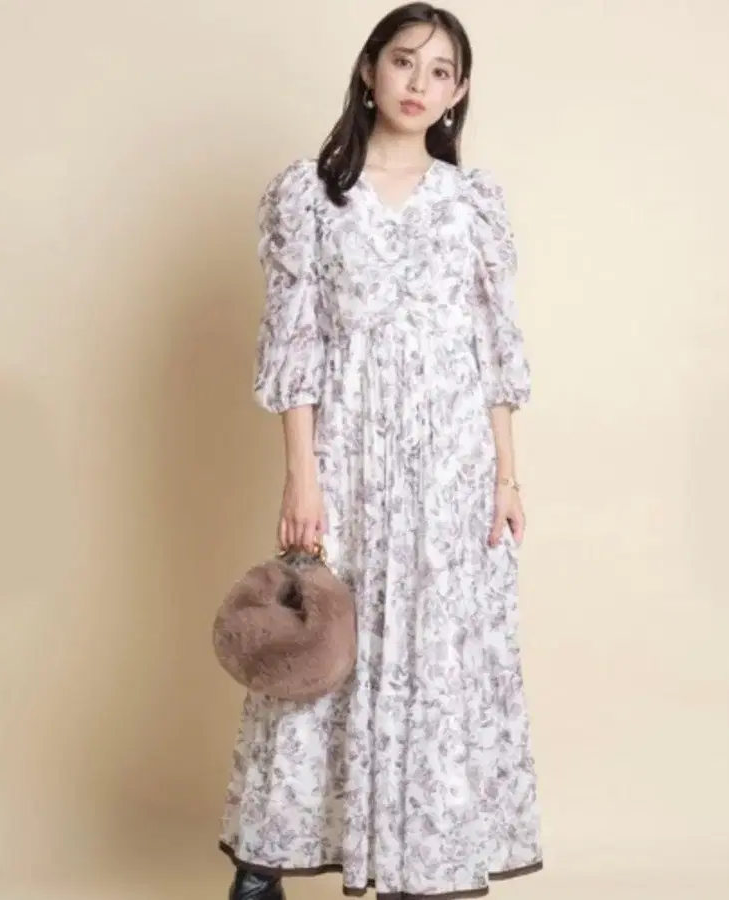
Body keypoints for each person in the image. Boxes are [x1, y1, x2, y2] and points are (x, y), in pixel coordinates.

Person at [220, 4, 542, 898]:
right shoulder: (310, 196)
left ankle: (418, 864)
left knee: (437, 658)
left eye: (440, 72)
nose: (418, 83)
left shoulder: (472, 203)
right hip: (349, 458)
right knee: (322, 647)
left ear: (458, 92)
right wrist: (302, 476)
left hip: (451, 470)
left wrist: (507, 477)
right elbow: (294, 346)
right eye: (405, 61)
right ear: (370, 69)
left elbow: (494, 349)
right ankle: (265, 864)